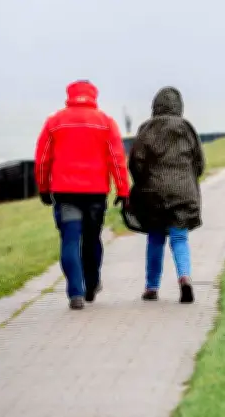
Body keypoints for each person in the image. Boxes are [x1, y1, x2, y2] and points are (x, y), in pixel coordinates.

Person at [34, 80, 130, 310]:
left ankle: (75, 293)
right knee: (91, 238)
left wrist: (43, 188)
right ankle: (92, 282)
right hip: (95, 193)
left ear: (70, 95)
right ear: (93, 96)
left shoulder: (54, 122)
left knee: (70, 239)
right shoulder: (105, 122)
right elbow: (116, 159)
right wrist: (123, 190)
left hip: (65, 192)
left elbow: (42, 159)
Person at [128, 86, 204, 304]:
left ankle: (151, 287)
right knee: (180, 237)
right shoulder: (186, 128)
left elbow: (136, 162)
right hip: (182, 190)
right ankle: (185, 277)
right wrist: (189, 178)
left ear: (156, 106)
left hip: (153, 193)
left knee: (155, 239)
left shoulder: (146, 128)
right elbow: (199, 161)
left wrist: (141, 182)